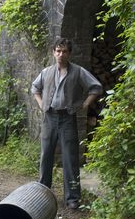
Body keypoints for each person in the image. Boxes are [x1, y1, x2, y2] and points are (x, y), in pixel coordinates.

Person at [31, 38, 103, 209]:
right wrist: (41, 104)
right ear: (53, 52)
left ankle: (72, 198)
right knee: (46, 156)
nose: (60, 54)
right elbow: (35, 88)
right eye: (58, 51)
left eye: (64, 51)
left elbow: (96, 87)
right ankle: (43, 193)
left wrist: (85, 104)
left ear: (69, 53)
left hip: (67, 118)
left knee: (70, 158)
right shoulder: (47, 72)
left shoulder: (78, 72)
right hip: (49, 117)